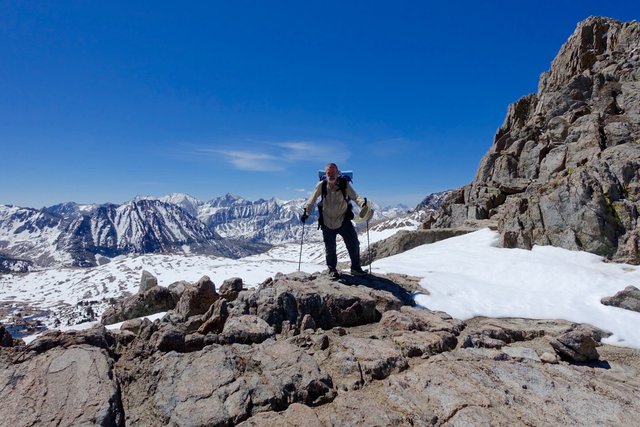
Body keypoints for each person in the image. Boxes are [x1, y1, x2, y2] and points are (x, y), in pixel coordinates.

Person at [301, 162, 370, 278]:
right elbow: (311, 199)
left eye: (333, 172)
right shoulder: (321, 185)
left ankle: (356, 268)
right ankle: (332, 269)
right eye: (329, 173)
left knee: (353, 243)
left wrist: (363, 204)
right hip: (327, 221)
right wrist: (306, 211)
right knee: (330, 248)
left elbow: (356, 197)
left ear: (338, 173)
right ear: (326, 174)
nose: (331, 174)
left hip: (343, 220)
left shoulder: (344, 184)